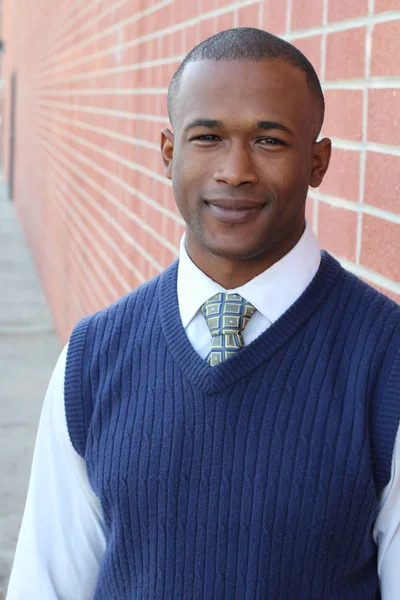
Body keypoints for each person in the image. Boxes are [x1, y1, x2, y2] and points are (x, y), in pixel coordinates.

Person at [6, 27, 400, 600]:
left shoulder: (386, 363)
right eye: (208, 137)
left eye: (269, 141)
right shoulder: (91, 360)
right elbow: (46, 584)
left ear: (318, 162)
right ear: (170, 154)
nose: (234, 169)